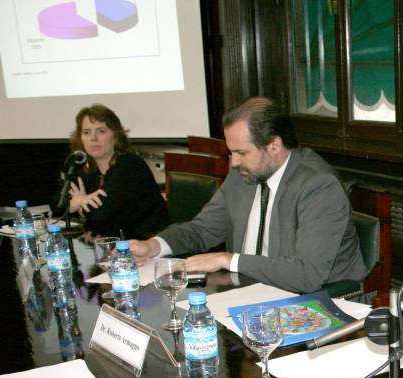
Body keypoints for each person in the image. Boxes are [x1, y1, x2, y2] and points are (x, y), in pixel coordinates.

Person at [129, 97, 366, 294]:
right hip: (247, 295)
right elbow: (203, 229)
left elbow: (306, 275)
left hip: (317, 302)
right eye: (231, 152)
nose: (234, 162)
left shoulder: (318, 186)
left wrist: (227, 259)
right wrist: (153, 246)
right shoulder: (245, 174)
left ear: (274, 145)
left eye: (241, 152)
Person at [60, 104, 171, 239]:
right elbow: (57, 204)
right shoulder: (84, 168)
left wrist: (78, 207)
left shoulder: (129, 165)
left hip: (147, 242)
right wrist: (78, 201)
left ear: (116, 135)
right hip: (111, 241)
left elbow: (101, 214)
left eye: (101, 131)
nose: (93, 138)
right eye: (86, 132)